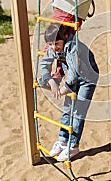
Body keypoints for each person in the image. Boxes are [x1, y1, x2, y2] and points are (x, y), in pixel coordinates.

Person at [38, 23, 99, 162]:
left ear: (65, 37)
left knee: (78, 111)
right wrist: (51, 81)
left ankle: (73, 145)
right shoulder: (55, 46)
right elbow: (43, 64)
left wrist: (64, 88)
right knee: (67, 109)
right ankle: (63, 140)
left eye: (56, 44)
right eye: (51, 44)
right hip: (75, 77)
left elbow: (73, 73)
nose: (54, 47)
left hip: (88, 78)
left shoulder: (73, 47)